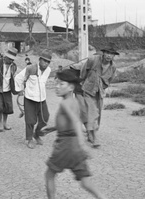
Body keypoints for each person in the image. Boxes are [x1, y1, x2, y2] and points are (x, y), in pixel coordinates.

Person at [42, 69, 107, 199]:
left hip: (65, 146)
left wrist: (83, 145)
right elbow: (70, 122)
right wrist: (53, 128)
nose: (57, 87)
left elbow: (76, 122)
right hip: (75, 146)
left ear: (71, 87)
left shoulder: (65, 103)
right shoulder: (74, 102)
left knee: (49, 175)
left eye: (61, 84)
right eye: (57, 83)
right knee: (85, 181)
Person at [72, 46, 119, 148]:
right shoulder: (93, 60)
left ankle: (91, 133)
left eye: (111, 54)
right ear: (103, 53)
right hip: (88, 90)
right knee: (92, 112)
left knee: (97, 114)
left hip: (99, 93)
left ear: (114, 56)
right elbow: (83, 72)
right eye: (107, 53)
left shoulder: (113, 67)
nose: (109, 56)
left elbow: (110, 80)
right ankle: (95, 138)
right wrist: (84, 83)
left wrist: (102, 87)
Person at [14, 50, 52, 149]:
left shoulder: (48, 70)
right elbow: (18, 78)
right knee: (30, 120)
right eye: (44, 61)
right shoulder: (30, 68)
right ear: (40, 60)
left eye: (48, 62)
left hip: (42, 99)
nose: (46, 63)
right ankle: (29, 139)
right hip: (30, 98)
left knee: (45, 118)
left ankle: (37, 134)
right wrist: (19, 90)